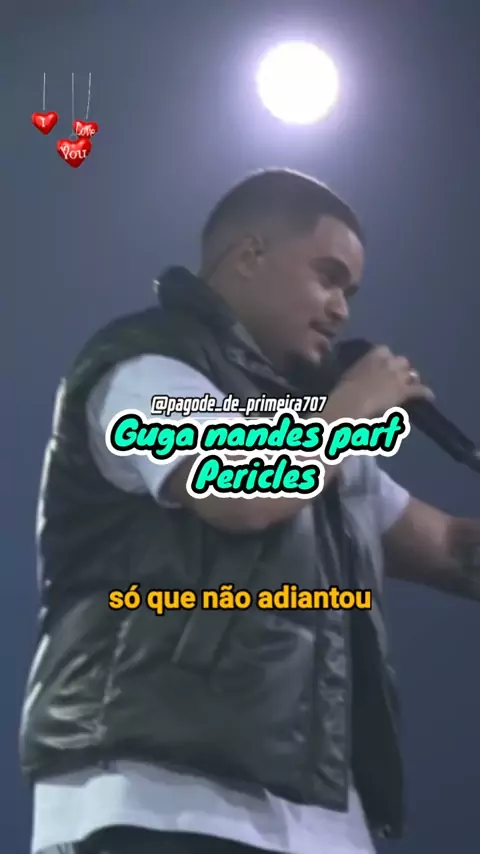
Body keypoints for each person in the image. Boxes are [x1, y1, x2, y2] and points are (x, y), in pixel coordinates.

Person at [21, 169, 480, 854]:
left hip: (321, 823)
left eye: (351, 294)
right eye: (328, 278)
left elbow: (451, 550)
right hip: (157, 806)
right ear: (249, 255)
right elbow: (239, 493)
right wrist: (354, 407)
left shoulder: (316, 436)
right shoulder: (147, 366)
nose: (342, 311)